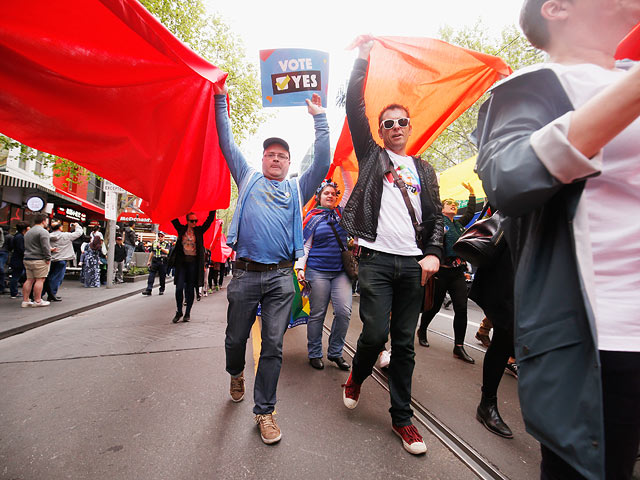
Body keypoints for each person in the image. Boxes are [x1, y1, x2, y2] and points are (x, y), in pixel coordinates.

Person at [474, 0, 640, 477]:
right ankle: (487, 401)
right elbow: (508, 179)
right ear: (557, 8)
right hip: (601, 339)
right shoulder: (532, 89)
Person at [340, 39, 443, 455]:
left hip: (414, 266)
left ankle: (403, 419)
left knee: (403, 344)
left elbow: (436, 217)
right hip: (378, 262)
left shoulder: (425, 169)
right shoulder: (372, 158)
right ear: (381, 132)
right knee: (374, 335)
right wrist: (362, 56)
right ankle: (357, 376)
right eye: (389, 124)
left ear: (410, 127)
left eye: (402, 122)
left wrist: (434, 251)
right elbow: (353, 106)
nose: (396, 128)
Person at [214, 81, 330, 445]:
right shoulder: (246, 177)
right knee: (235, 340)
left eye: (282, 155)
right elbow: (225, 140)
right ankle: (236, 372)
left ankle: (264, 411)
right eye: (270, 154)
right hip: (245, 276)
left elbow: (323, 160)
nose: (275, 159)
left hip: (281, 278)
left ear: (290, 163)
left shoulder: (298, 189)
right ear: (262, 159)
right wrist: (220, 97)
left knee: (274, 346)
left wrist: (320, 118)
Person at [295, 179, 352, 371]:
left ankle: (335, 353)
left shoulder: (342, 213)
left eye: (333, 193)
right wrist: (300, 268)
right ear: (319, 197)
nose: (330, 196)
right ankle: (315, 353)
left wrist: (345, 165)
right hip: (317, 271)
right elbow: (306, 245)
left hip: (341, 273)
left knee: (344, 312)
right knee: (317, 314)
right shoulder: (311, 217)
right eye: (326, 193)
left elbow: (351, 188)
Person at [416, 184, 476, 364]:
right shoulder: (437, 222)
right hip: (441, 272)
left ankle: (459, 347)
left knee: (461, 308)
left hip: (457, 272)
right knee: (433, 306)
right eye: (449, 203)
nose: (453, 205)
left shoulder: (458, 224)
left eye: (455, 204)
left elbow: (470, 213)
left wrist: (472, 194)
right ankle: (423, 329)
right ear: (442, 207)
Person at [167, 211, 216, 322]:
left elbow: (209, 221)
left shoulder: (199, 231)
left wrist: (214, 208)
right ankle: (179, 311)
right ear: (187, 221)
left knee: (190, 289)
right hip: (182, 264)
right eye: (192, 221)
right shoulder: (181, 229)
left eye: (196, 221)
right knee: (179, 288)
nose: (194, 223)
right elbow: (173, 217)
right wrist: (172, 205)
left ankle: (187, 313)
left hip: (193, 264)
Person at [22, 213, 52, 307]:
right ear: (43, 221)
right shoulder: (43, 232)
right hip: (39, 259)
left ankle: (25, 300)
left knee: (29, 280)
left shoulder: (28, 232)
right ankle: (38, 300)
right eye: (46, 221)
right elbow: (45, 246)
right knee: (40, 280)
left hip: (27, 258)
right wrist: (48, 258)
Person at [48, 221, 83, 300]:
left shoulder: (48, 236)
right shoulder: (66, 235)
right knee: (57, 278)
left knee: (50, 276)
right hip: (62, 259)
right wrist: (77, 225)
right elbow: (79, 233)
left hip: (51, 259)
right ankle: (52, 294)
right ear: (60, 228)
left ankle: (46, 292)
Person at [142, 231, 169, 296]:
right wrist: (149, 261)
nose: (160, 237)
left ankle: (161, 289)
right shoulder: (154, 243)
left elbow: (167, 251)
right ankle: (149, 289)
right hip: (155, 260)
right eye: (159, 236)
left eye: (161, 236)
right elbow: (152, 252)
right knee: (151, 275)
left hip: (162, 261)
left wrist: (160, 248)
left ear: (164, 237)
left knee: (162, 277)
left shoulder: (167, 243)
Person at [8, 222, 28, 299]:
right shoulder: (20, 237)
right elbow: (21, 249)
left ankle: (14, 291)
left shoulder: (17, 236)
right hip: (18, 259)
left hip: (16, 258)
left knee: (17, 275)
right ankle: (14, 292)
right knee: (16, 276)